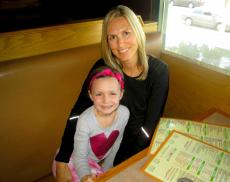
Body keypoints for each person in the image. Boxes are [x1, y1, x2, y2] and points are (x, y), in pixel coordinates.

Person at [54, 5, 169, 182]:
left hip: (134, 150)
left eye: (126, 33)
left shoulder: (159, 72)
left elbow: (149, 129)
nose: (120, 44)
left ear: (138, 32)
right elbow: (77, 113)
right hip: (94, 153)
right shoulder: (103, 68)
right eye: (112, 37)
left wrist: (121, 164)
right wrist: (62, 158)